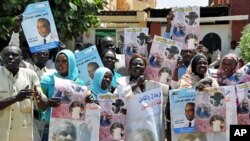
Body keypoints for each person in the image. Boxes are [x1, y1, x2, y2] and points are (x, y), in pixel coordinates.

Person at [0, 45, 47, 141]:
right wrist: (15, 98)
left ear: (21, 59)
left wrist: (39, 98)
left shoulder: (30, 75)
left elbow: (43, 106)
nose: (10, 57)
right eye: (7, 55)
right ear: (1, 57)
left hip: (24, 135)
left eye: (14, 55)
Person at [40, 49, 86, 140]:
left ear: (71, 63)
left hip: (71, 130)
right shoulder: (47, 81)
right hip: (51, 128)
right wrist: (47, 102)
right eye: (57, 61)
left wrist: (88, 99)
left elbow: (82, 107)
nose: (60, 64)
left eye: (64, 61)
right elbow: (39, 107)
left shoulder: (80, 83)